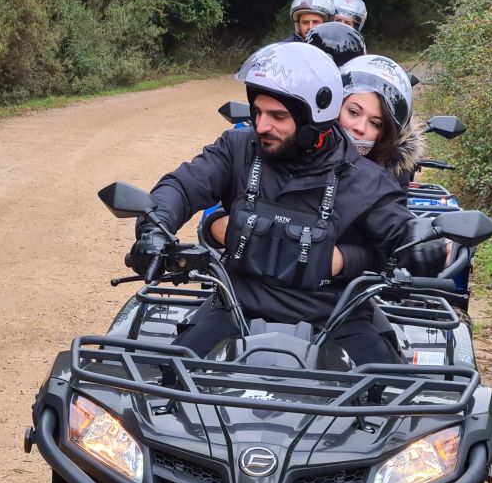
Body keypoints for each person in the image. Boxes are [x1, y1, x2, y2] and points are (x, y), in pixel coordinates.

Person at [129, 42, 445, 365]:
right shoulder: (236, 149)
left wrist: (421, 242)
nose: (262, 125)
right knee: (162, 380)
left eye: (278, 116)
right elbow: (182, 186)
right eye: (258, 112)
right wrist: (153, 228)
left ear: (314, 117)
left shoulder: (367, 180)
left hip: (339, 317)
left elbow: (400, 225)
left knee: (392, 398)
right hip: (235, 306)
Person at [338, 55, 424, 188]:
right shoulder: (302, 154)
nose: (360, 128)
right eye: (353, 112)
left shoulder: (391, 180)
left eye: (375, 123)